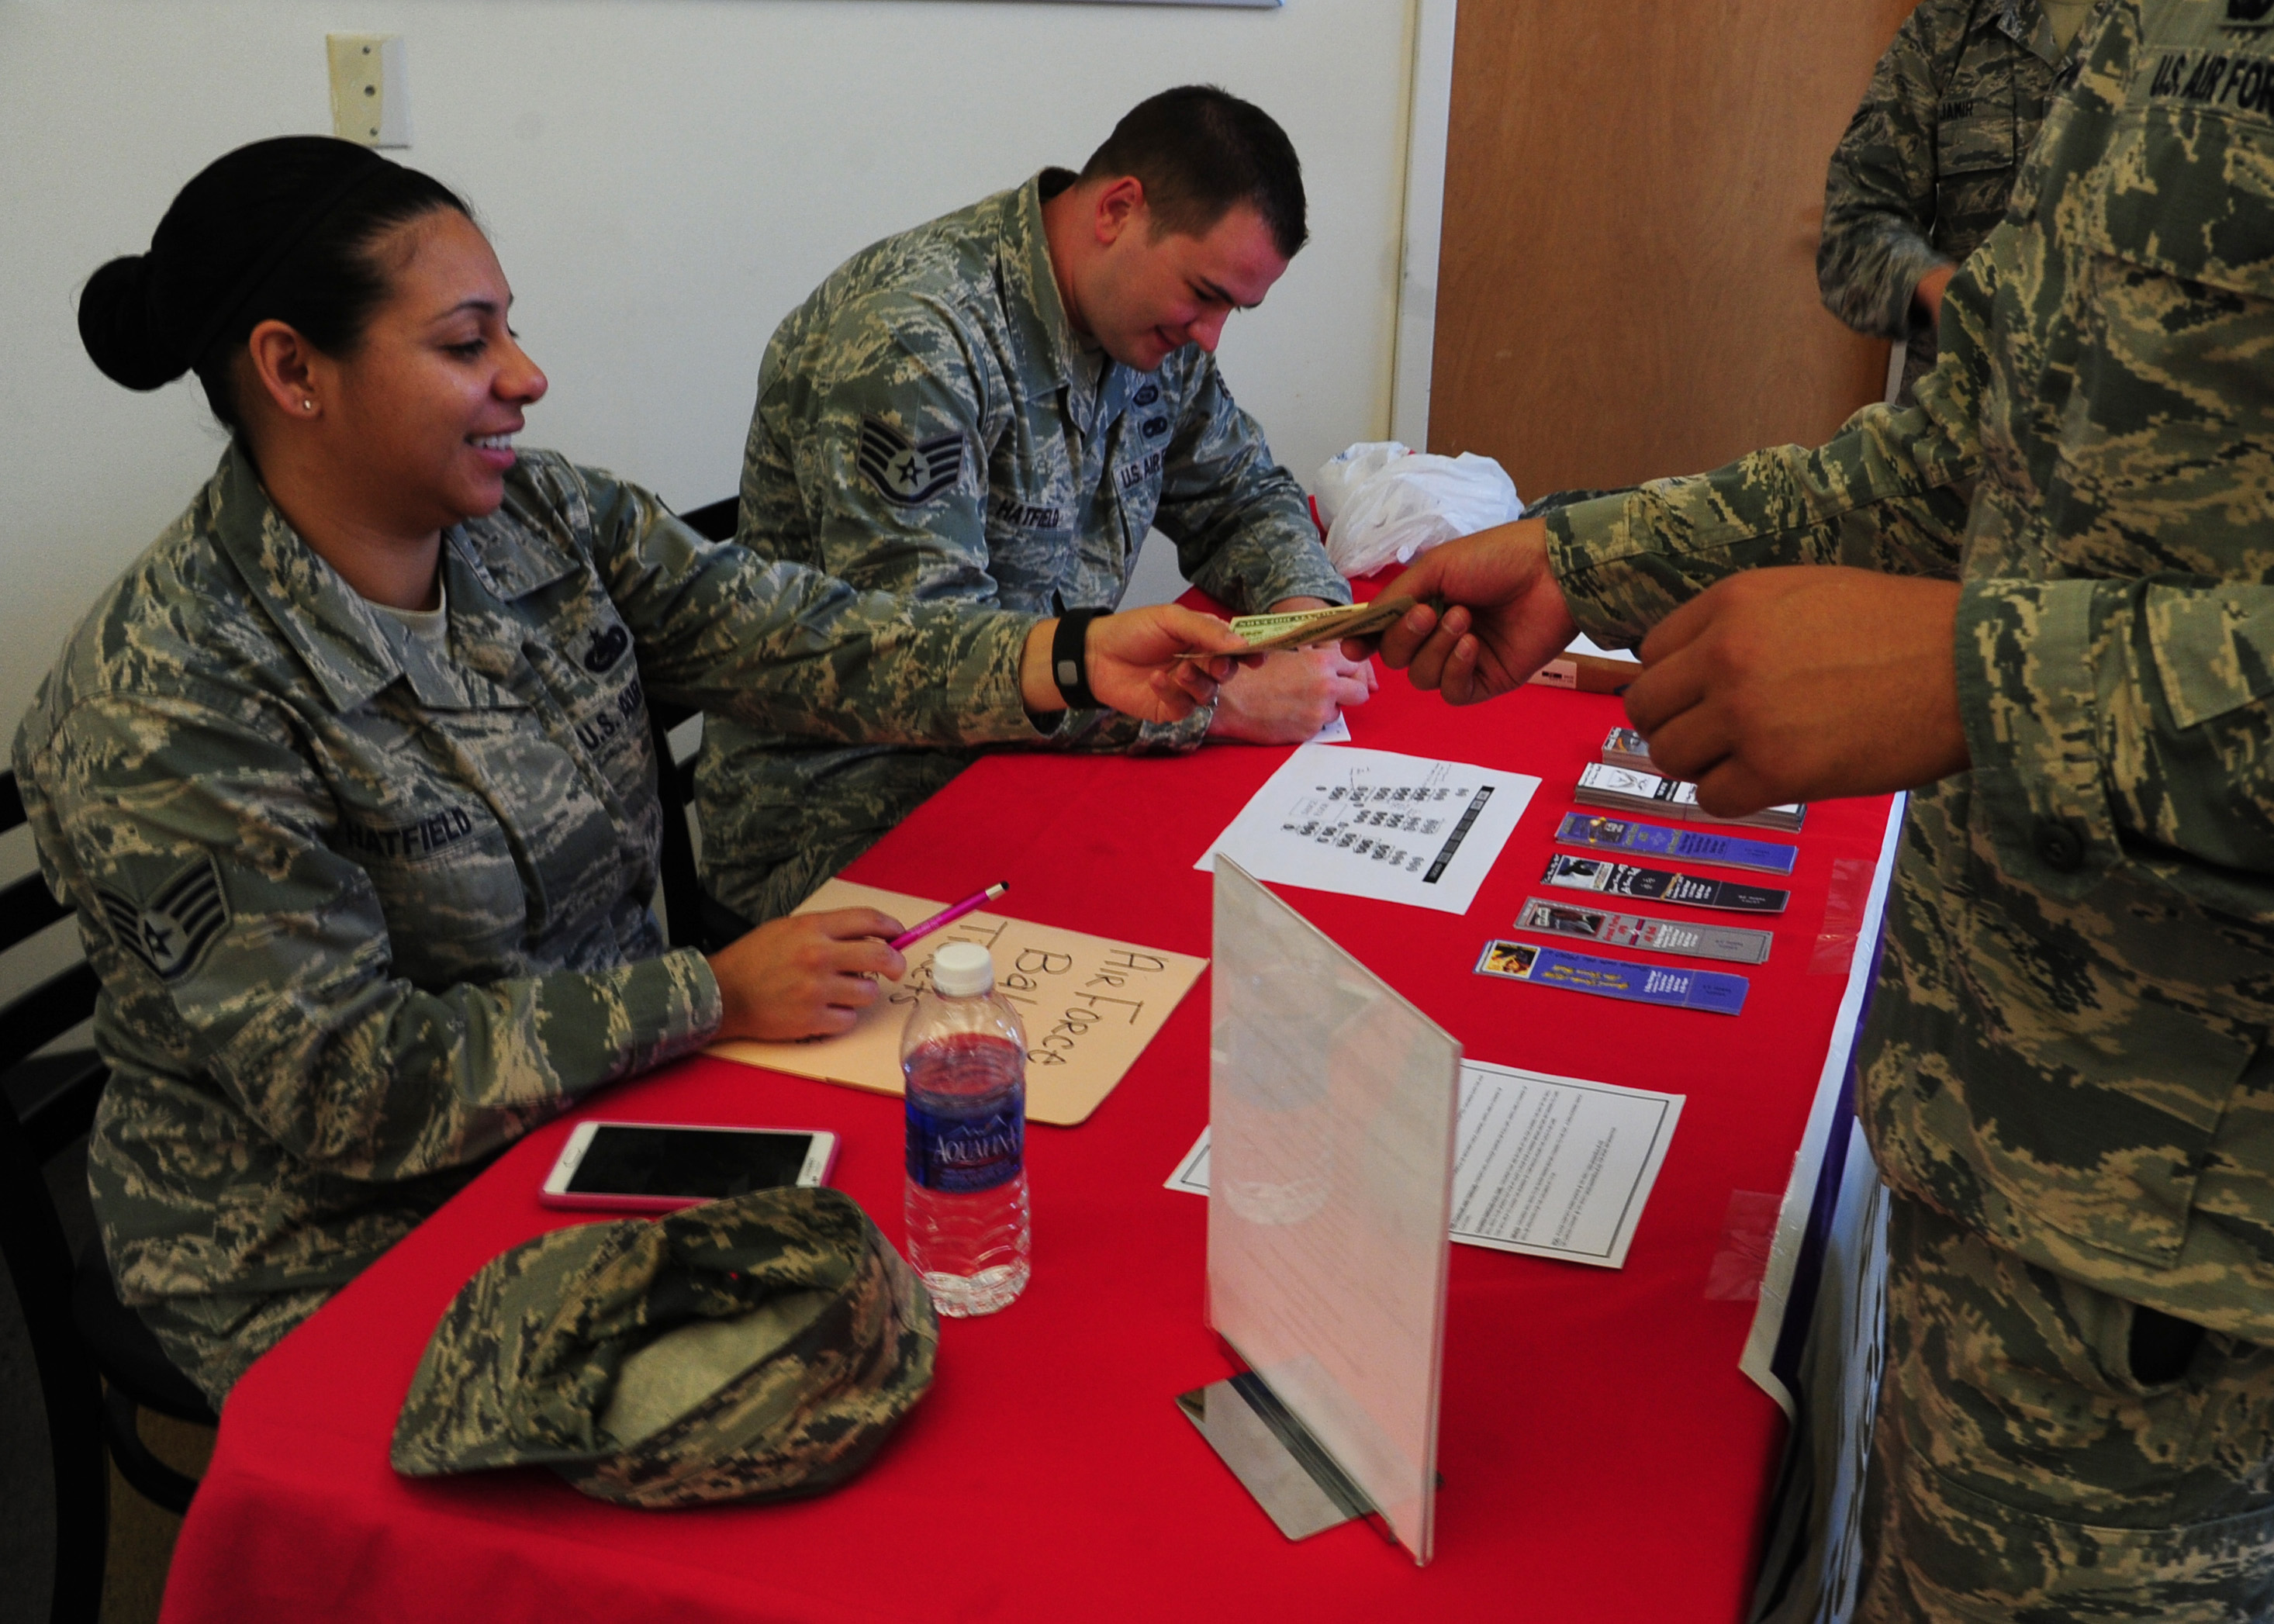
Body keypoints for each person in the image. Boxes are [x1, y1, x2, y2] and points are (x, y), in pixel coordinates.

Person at [22, 136, 1252, 1405]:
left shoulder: (530, 514)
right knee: (844, 1380)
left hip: (602, 1110)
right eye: (464, 344)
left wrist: (1068, 654)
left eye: (510, 330)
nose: (525, 376)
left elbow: (789, 633)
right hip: (335, 1238)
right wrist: (706, 995)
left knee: (993, 1248)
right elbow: (352, 1085)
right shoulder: (171, 693)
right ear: (293, 369)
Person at [1369, 2, 2274, 1614]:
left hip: (2192, 1296)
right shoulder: (2146, 27)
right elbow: (1949, 461)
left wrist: (1974, 676)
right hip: (1992, 1158)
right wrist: (1589, 556)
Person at [696, 84, 1372, 931]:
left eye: (1234, 308)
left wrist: (1298, 618)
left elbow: (1243, 495)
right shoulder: (916, 340)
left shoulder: (1152, 329)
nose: (1210, 335)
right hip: (852, 816)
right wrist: (1223, 704)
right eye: (1205, 295)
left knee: (1287, 936)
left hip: (1038, 762)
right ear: (1118, 210)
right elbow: (931, 663)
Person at [1819, 0, 2101, 401]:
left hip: (2115, 432)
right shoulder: (1947, 25)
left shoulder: (2188, 31)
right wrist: (1934, 287)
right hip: (1954, 424)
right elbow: (1854, 221)